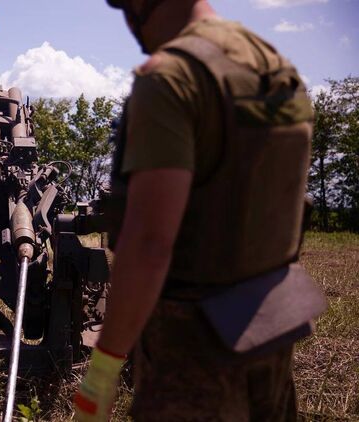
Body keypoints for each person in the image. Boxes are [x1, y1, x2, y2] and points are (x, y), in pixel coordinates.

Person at [74, 0, 326, 420]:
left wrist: (103, 371)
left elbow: (150, 244)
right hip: (273, 334)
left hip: (193, 348)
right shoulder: (276, 67)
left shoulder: (171, 77)